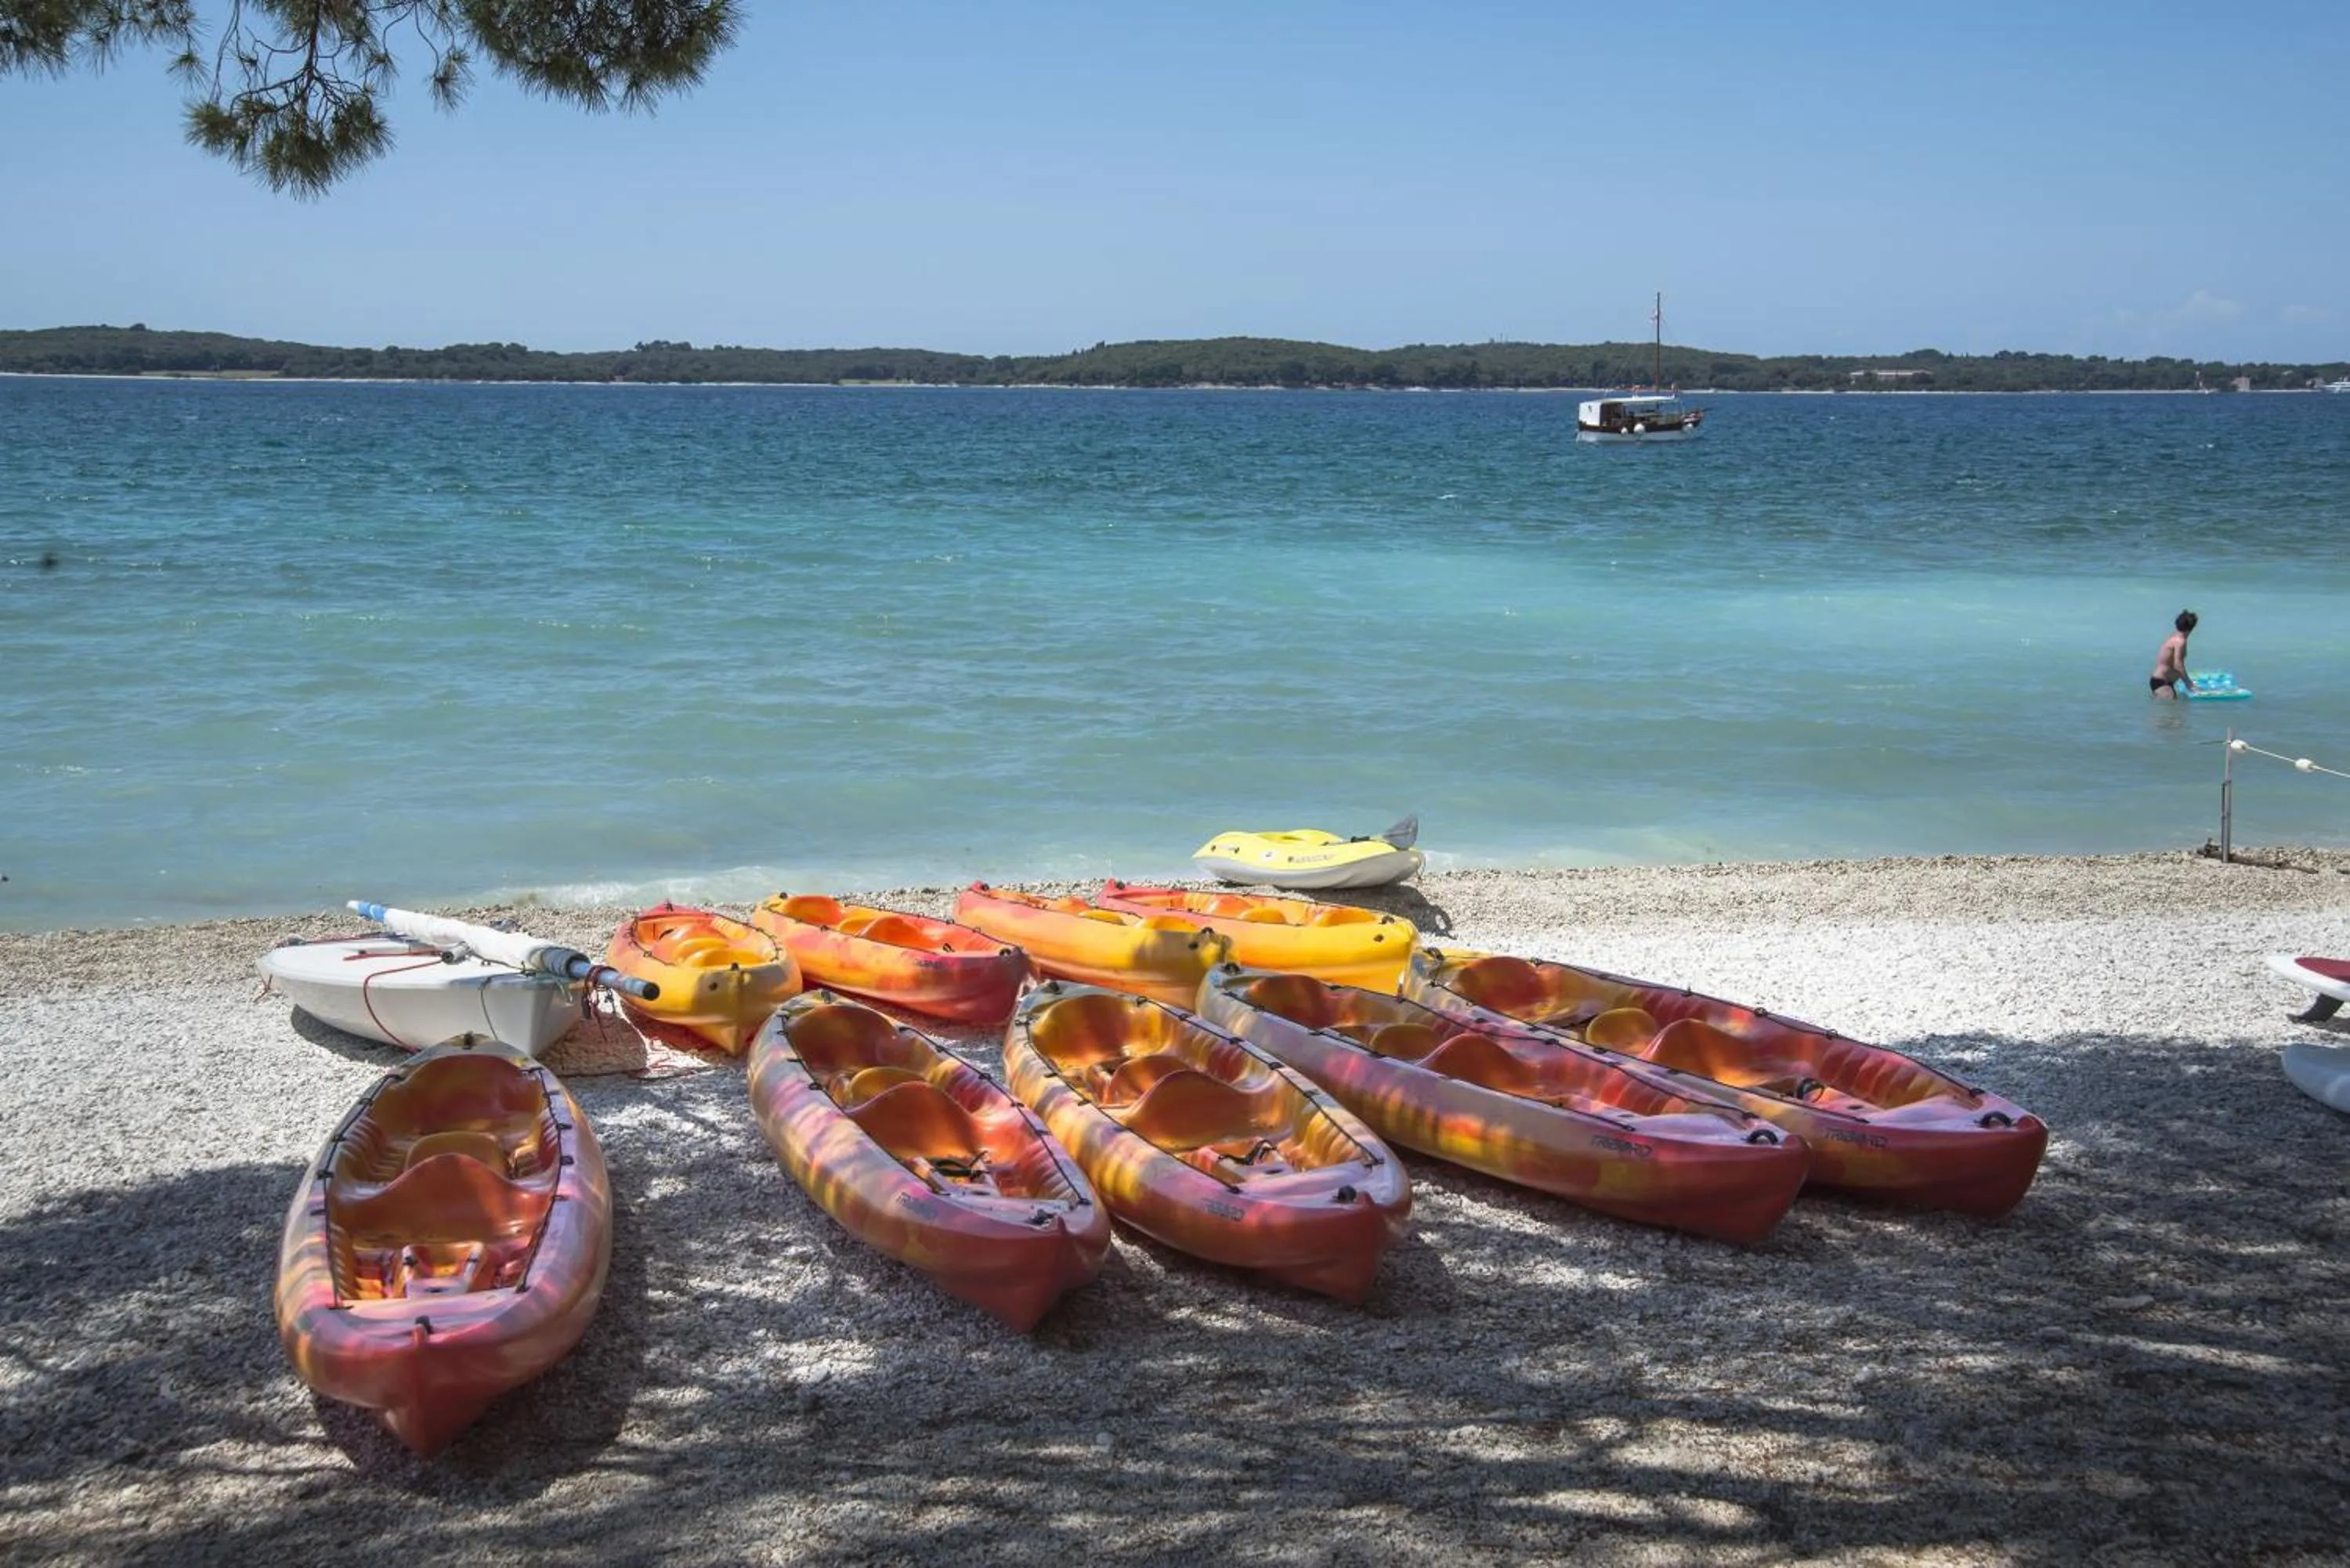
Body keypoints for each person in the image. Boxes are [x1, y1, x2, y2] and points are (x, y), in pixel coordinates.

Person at [2150, 610, 2199, 699]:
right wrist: (2189, 684)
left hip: (2165, 682)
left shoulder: (2175, 637)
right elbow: (2178, 665)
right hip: (2162, 682)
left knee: (2173, 710)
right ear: (2192, 627)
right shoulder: (2180, 642)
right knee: (2168, 710)